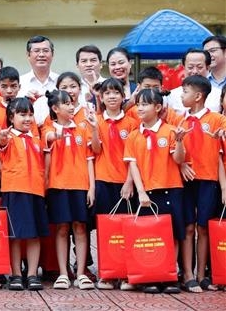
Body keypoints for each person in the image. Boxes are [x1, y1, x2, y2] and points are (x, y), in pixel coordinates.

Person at [124, 88, 189, 294]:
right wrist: (141, 191)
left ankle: (170, 275)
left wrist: (179, 141)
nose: (140, 108)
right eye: (139, 104)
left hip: (171, 188)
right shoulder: (134, 135)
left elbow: (179, 160)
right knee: (148, 235)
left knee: (172, 233)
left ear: (158, 107)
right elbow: (133, 165)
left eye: (145, 104)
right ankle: (150, 275)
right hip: (147, 192)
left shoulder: (170, 131)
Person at [177, 75, 226, 293]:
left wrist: (221, 134)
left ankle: (202, 275)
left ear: (198, 96)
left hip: (208, 180)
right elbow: (173, 153)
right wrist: (182, 166)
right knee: (188, 227)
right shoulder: (180, 120)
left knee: (203, 227)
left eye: (185, 92)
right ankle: (188, 274)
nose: (181, 96)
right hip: (186, 181)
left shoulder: (216, 119)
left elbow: (223, 137)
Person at [42, 89, 95, 290]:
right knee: (62, 228)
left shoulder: (82, 129)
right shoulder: (48, 128)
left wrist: (91, 187)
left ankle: (81, 273)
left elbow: (90, 160)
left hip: (80, 186)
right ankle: (63, 273)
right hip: (58, 186)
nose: (72, 106)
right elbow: (49, 137)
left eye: (72, 103)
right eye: (66, 104)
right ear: (55, 108)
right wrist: (59, 130)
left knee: (80, 228)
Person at [90, 78, 138, 291]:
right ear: (101, 97)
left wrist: (129, 182)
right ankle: (107, 273)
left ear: (123, 96)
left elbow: (134, 157)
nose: (111, 96)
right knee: (105, 230)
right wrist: (93, 129)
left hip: (125, 182)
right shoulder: (97, 121)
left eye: (115, 92)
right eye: (107, 93)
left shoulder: (132, 123)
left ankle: (128, 273)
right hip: (103, 180)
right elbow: (96, 150)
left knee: (128, 229)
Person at [0, 97, 48, 291]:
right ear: (11, 117)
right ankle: (16, 274)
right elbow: (0, 144)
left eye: (30, 114)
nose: (27, 118)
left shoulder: (36, 139)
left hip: (36, 191)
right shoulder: (8, 138)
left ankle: (33, 274)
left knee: (34, 234)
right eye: (22, 114)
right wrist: (2, 137)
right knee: (15, 235)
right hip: (15, 191)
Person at [168, 49, 221, 114]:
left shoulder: (219, 95)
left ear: (208, 67)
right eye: (190, 67)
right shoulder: (172, 95)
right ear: (183, 67)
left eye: (200, 67)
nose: (195, 71)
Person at [18, 35, 58, 100]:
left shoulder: (61, 82)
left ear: (52, 54)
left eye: (45, 50)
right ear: (28, 55)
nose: (41, 55)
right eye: (36, 51)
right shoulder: (19, 83)